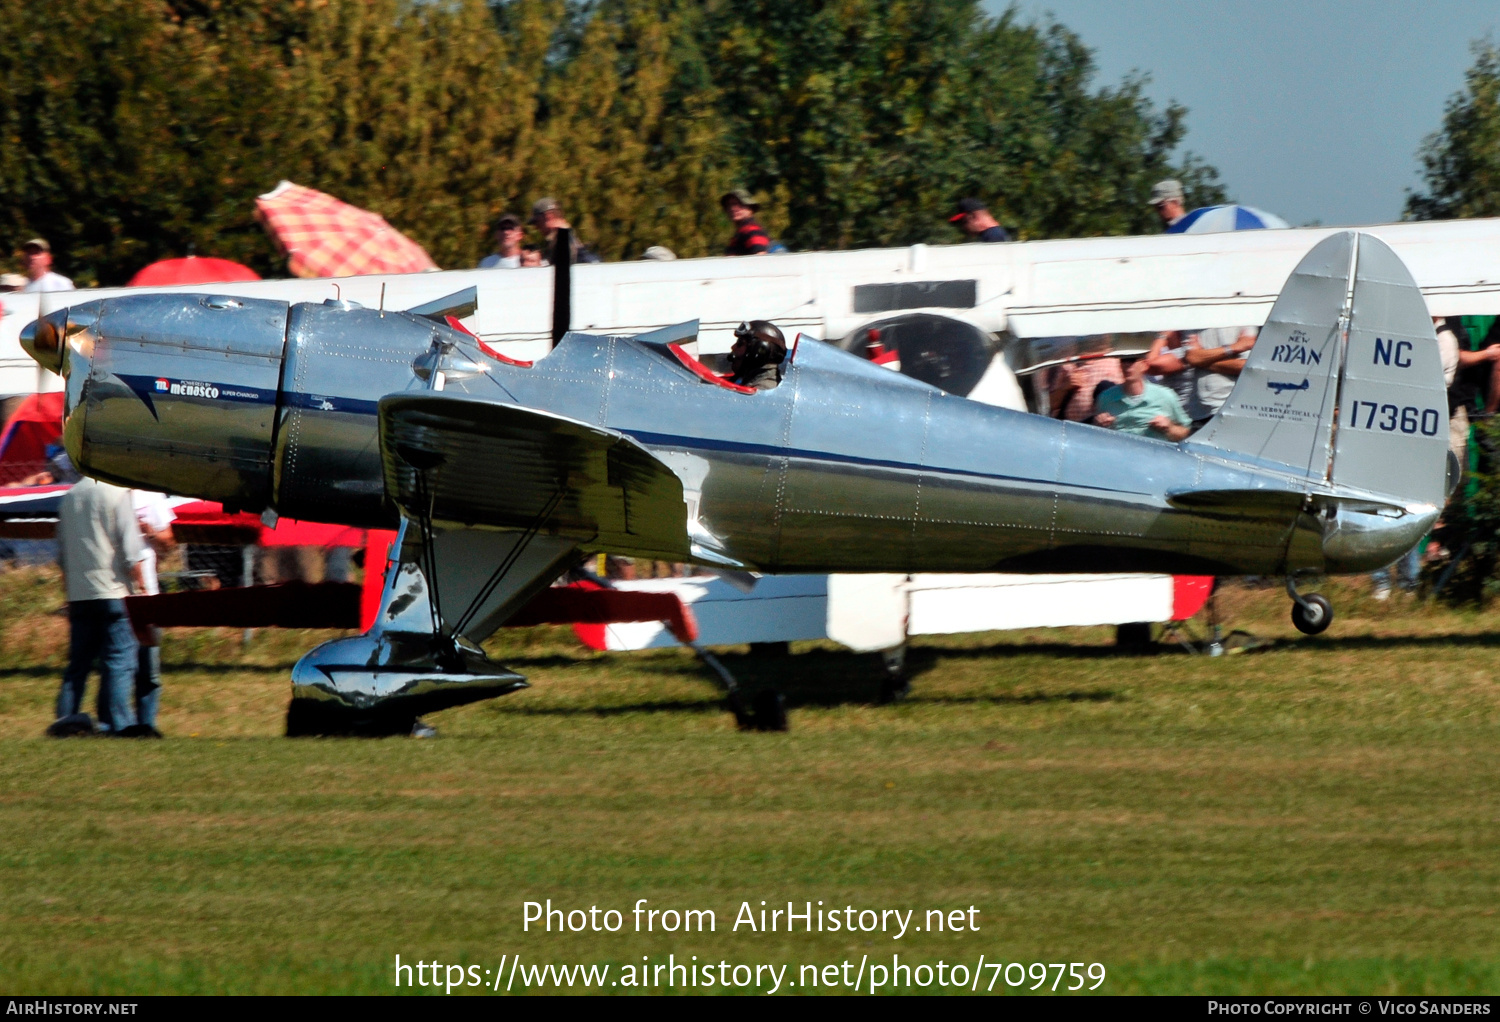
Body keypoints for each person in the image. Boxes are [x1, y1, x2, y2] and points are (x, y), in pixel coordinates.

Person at [50, 477, 148, 737]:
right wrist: (142, 586)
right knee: (119, 661)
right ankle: (119, 723)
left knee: (78, 665)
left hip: (80, 593)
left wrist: (68, 591)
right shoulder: (118, 494)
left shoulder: (69, 497)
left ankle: (65, 720)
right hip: (114, 591)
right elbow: (130, 548)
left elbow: (62, 555)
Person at [124, 489, 176, 736]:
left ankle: (146, 725)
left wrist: (148, 530)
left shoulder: (151, 496)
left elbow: (168, 541)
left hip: (146, 594)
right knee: (119, 668)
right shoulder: (104, 493)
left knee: (148, 669)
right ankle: (118, 725)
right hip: (113, 591)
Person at [1092, 358, 1191, 441]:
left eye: (1132, 360)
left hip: (1154, 457)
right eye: (1124, 360)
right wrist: (1098, 425)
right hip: (1120, 458)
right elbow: (1095, 437)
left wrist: (1169, 428)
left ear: (1144, 365)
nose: (1127, 365)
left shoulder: (1165, 395)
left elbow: (1186, 433)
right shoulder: (1105, 397)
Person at [1182, 326, 1257, 429]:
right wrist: (1234, 347)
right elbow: (1192, 357)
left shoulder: (1246, 320)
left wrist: (1201, 360)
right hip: (1200, 412)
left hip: (1234, 407)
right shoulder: (1195, 320)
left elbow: (1243, 366)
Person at [1045, 337, 1124, 422]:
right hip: (1074, 429)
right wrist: (1065, 387)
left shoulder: (1118, 362)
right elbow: (1049, 405)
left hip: (1109, 427)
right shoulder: (1066, 365)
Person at [530, 198, 600, 265]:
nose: (536, 227)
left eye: (537, 222)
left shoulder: (562, 241)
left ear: (548, 216)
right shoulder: (567, 238)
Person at [728, 320, 786, 390]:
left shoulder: (764, 390)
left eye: (740, 343)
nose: (733, 347)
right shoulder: (749, 381)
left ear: (759, 351)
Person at [721, 190, 770, 256]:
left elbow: (760, 256)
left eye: (738, 204)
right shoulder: (742, 232)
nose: (732, 208)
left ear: (750, 208)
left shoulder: (752, 230)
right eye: (729, 205)